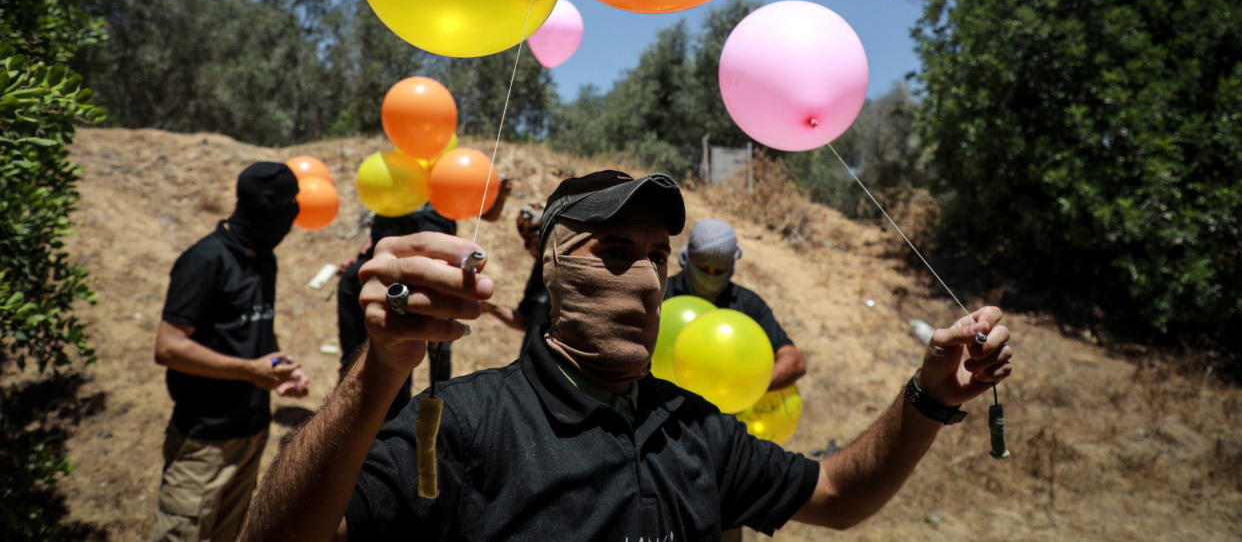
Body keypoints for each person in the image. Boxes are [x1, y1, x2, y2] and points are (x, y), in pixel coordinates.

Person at [239, 170, 1013, 541]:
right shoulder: (463, 425)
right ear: (550, 266)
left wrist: (930, 395)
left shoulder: (694, 426)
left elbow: (839, 495)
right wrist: (380, 370)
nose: (644, 277)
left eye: (656, 253)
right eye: (612, 249)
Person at [152, 161, 310, 542]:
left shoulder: (264, 259)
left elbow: (255, 326)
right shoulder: (206, 260)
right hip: (204, 443)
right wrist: (249, 370)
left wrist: (279, 365)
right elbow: (169, 347)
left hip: (252, 435)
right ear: (256, 210)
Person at [336, 176, 512, 411]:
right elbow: (380, 224)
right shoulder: (395, 173)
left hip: (438, 273)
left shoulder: (451, 174)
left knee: (439, 344)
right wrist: (361, 258)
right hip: (388, 275)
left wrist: (499, 194)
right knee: (388, 341)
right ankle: (379, 412)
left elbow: (486, 212)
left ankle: (441, 406)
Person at [667, 217, 807, 391]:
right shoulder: (662, 295)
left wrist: (748, 389)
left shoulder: (749, 305)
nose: (710, 277)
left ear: (732, 265)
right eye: (702, 268)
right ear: (688, 258)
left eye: (719, 271)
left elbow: (794, 360)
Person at [480, 201, 550, 356]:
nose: (529, 248)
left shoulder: (573, 272)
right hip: (531, 364)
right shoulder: (539, 268)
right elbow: (525, 320)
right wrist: (490, 308)